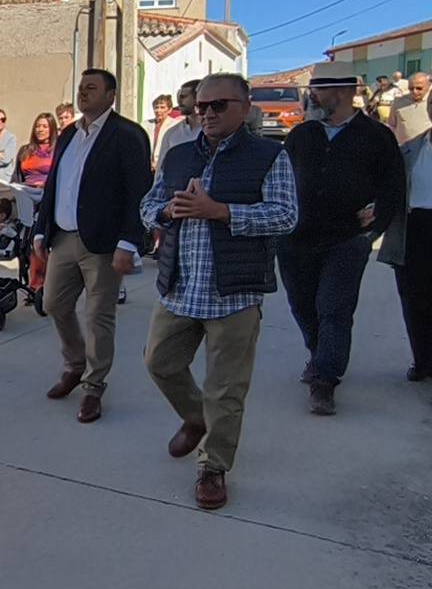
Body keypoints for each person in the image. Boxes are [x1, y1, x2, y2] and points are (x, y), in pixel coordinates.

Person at [140, 73, 299, 510]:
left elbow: (285, 216)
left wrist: (221, 212)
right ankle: (196, 419)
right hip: (180, 287)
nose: (206, 113)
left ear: (244, 108)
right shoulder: (176, 155)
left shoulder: (269, 156)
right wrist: (168, 210)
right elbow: (148, 206)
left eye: (218, 105)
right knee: (160, 363)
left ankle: (213, 468)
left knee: (225, 388)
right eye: (200, 107)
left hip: (234, 293)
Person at [280, 66, 404, 415]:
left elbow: (393, 186)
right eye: (313, 89)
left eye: (320, 89)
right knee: (303, 305)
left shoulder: (376, 135)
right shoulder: (301, 134)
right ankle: (320, 355)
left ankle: (325, 380)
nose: (313, 95)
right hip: (296, 237)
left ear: (346, 92)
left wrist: (375, 222)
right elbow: (281, 180)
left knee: (334, 308)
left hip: (347, 238)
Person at [34, 69, 152, 423]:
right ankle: (74, 364)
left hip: (104, 243)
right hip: (64, 236)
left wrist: (129, 242)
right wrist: (41, 230)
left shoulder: (128, 135)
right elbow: (55, 183)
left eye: (91, 88)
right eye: (81, 88)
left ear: (110, 96)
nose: (83, 94)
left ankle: (93, 386)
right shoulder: (69, 134)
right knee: (54, 304)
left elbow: (139, 193)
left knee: (99, 316)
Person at [378, 124, 432, 381]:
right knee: (415, 299)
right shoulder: (410, 149)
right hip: (415, 229)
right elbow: (389, 189)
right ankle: (423, 360)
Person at [14, 113, 59, 292]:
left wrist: (46, 185)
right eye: (38, 126)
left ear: (52, 129)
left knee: (40, 241)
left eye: (45, 126)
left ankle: (42, 285)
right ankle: (32, 282)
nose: (40, 130)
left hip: (47, 198)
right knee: (24, 243)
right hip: (26, 195)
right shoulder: (26, 150)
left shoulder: (57, 150)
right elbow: (17, 176)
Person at [158, 80, 203, 158]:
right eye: (178, 97)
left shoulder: (213, 131)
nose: (179, 101)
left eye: (183, 97)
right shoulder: (172, 133)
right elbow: (161, 168)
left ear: (197, 97)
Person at [389, 72, 431, 145]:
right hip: (404, 149)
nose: (414, 91)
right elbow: (392, 125)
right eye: (411, 88)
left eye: (419, 88)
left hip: (426, 149)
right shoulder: (398, 102)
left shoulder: (430, 102)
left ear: (428, 86)